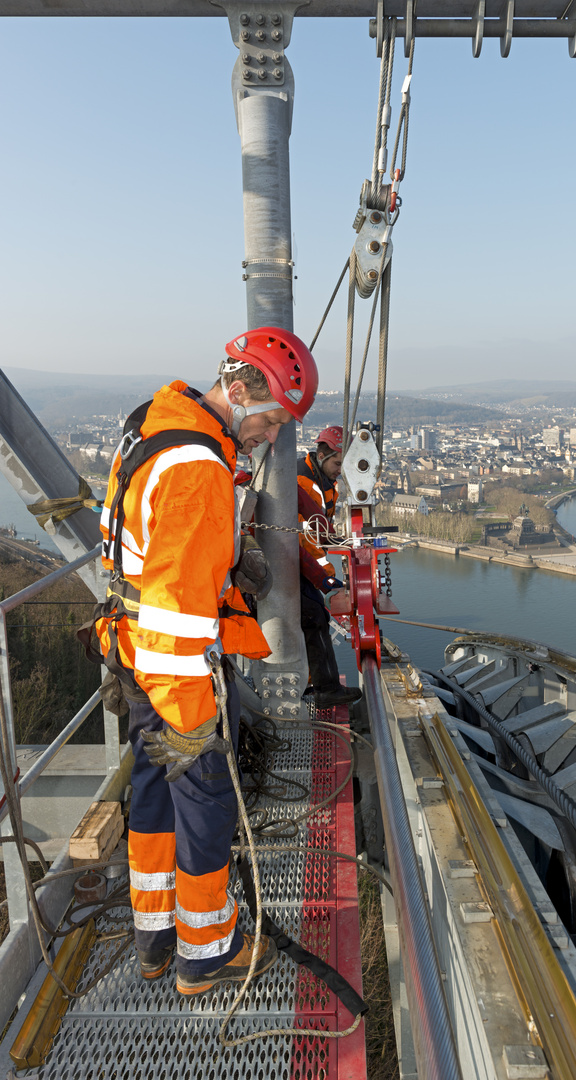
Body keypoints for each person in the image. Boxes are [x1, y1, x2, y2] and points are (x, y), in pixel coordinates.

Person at [94, 327, 318, 995]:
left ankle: (155, 937)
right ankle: (205, 952)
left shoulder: (156, 426)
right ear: (242, 390)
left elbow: (152, 560)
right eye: (272, 419)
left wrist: (221, 568)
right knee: (206, 800)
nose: (271, 437)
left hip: (135, 653)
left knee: (155, 793)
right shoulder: (198, 468)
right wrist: (194, 718)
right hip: (172, 667)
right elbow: (172, 610)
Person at [297, 427, 363, 709]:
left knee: (311, 620)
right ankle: (324, 688)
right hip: (295, 562)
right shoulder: (307, 483)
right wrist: (325, 577)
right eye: (337, 464)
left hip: (297, 561)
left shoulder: (321, 480)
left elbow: (321, 530)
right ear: (321, 455)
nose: (340, 471)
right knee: (314, 618)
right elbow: (306, 538)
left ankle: (314, 684)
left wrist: (339, 540)